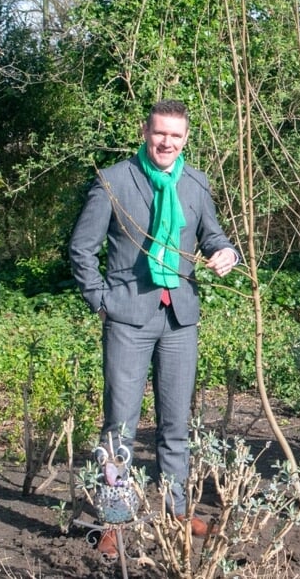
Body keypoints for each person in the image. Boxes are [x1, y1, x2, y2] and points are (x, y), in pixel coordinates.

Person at [69, 99, 239, 560]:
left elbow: (214, 236)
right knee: (119, 427)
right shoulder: (114, 180)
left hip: (180, 318)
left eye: (176, 136)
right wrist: (101, 302)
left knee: (175, 425)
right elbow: (81, 249)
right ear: (146, 132)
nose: (167, 142)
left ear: (185, 139)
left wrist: (228, 254)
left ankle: (176, 512)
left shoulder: (195, 183)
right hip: (127, 316)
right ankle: (114, 520)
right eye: (159, 133)